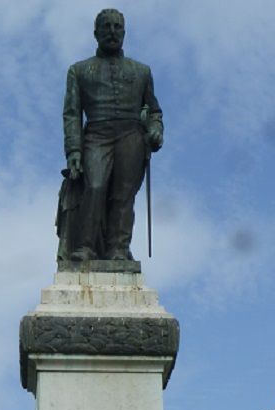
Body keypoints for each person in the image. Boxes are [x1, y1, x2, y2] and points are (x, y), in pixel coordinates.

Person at [62, 8, 163, 262]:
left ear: (125, 33)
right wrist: (74, 150)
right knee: (94, 187)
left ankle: (118, 248)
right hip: (96, 134)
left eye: (117, 27)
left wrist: (155, 129)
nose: (112, 32)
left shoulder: (142, 71)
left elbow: (154, 111)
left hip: (131, 136)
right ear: (96, 33)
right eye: (106, 27)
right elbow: (72, 113)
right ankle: (85, 246)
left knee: (123, 194)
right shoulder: (79, 70)